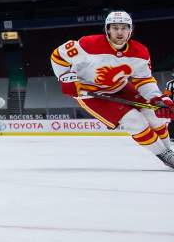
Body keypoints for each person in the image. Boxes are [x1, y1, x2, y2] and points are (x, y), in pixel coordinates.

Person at [51, 11, 174, 170]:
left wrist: (157, 98)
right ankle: (164, 155)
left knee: (156, 115)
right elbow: (58, 56)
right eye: (115, 28)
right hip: (91, 94)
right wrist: (65, 78)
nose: (120, 32)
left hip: (120, 87)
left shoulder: (140, 52)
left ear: (130, 30)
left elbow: (143, 80)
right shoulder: (87, 45)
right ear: (107, 29)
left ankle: (168, 153)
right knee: (134, 121)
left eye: (124, 28)